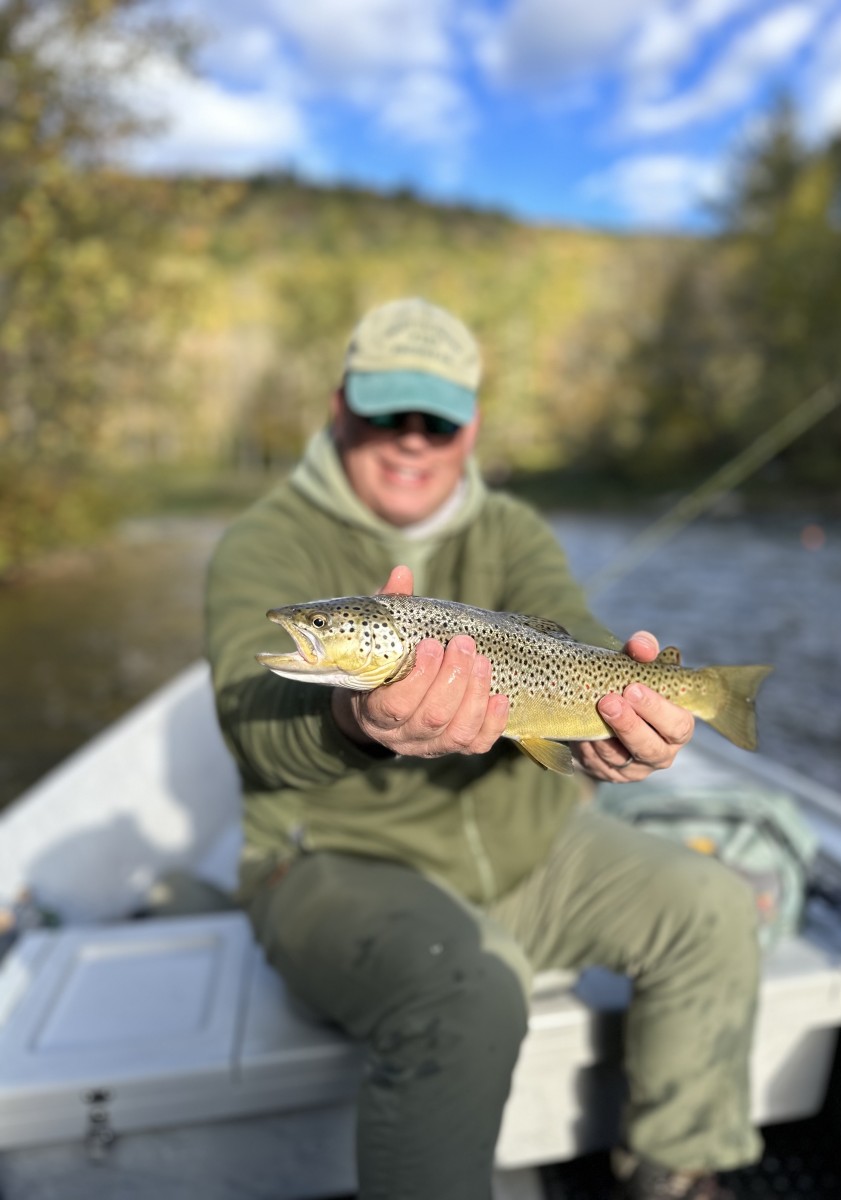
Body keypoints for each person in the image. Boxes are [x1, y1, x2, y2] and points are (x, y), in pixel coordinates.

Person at [205, 297, 762, 1200]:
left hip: (528, 842)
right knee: (469, 989)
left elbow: (584, 648)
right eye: (389, 413)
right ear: (342, 408)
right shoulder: (263, 543)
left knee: (713, 906)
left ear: (470, 428)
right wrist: (354, 721)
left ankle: (677, 1173)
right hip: (334, 862)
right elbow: (247, 720)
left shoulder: (514, 534)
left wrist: (615, 744)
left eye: (437, 418)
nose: (412, 439)